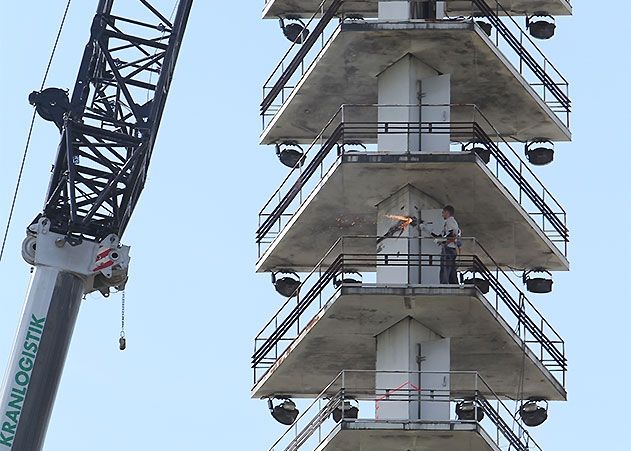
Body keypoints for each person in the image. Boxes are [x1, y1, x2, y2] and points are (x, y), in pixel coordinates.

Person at [432, 205, 460, 285]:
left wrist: (445, 243)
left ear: (447, 212)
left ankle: (444, 284)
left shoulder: (449, 221)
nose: (442, 215)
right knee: (451, 268)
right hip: (452, 249)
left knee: (445, 267)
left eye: (443, 213)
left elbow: (453, 235)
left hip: (448, 249)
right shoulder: (452, 222)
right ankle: (453, 284)